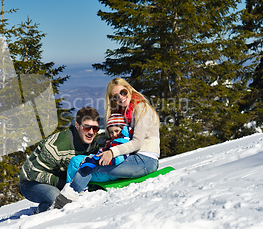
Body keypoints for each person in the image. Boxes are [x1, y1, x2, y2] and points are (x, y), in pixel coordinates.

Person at [52, 78, 160, 209]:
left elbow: (137, 143)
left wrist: (112, 152)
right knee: (84, 161)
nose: (121, 97)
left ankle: (64, 202)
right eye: (115, 96)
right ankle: (73, 194)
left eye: (123, 92)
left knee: (90, 165)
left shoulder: (142, 108)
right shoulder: (125, 112)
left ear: (129, 89)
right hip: (132, 157)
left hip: (145, 160)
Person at [19, 106, 101, 213]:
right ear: (77, 125)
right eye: (86, 127)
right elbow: (34, 173)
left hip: (60, 179)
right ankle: (38, 214)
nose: (91, 132)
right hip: (31, 181)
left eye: (95, 129)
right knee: (57, 199)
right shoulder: (57, 146)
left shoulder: (92, 145)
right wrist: (62, 184)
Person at [65, 113, 132, 183]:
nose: (114, 134)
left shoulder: (122, 141)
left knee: (75, 162)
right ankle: (74, 186)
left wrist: (96, 161)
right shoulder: (116, 141)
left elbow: (119, 159)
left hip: (108, 172)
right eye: (111, 132)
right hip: (106, 170)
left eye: (116, 131)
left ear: (123, 129)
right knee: (77, 160)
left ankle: (72, 187)